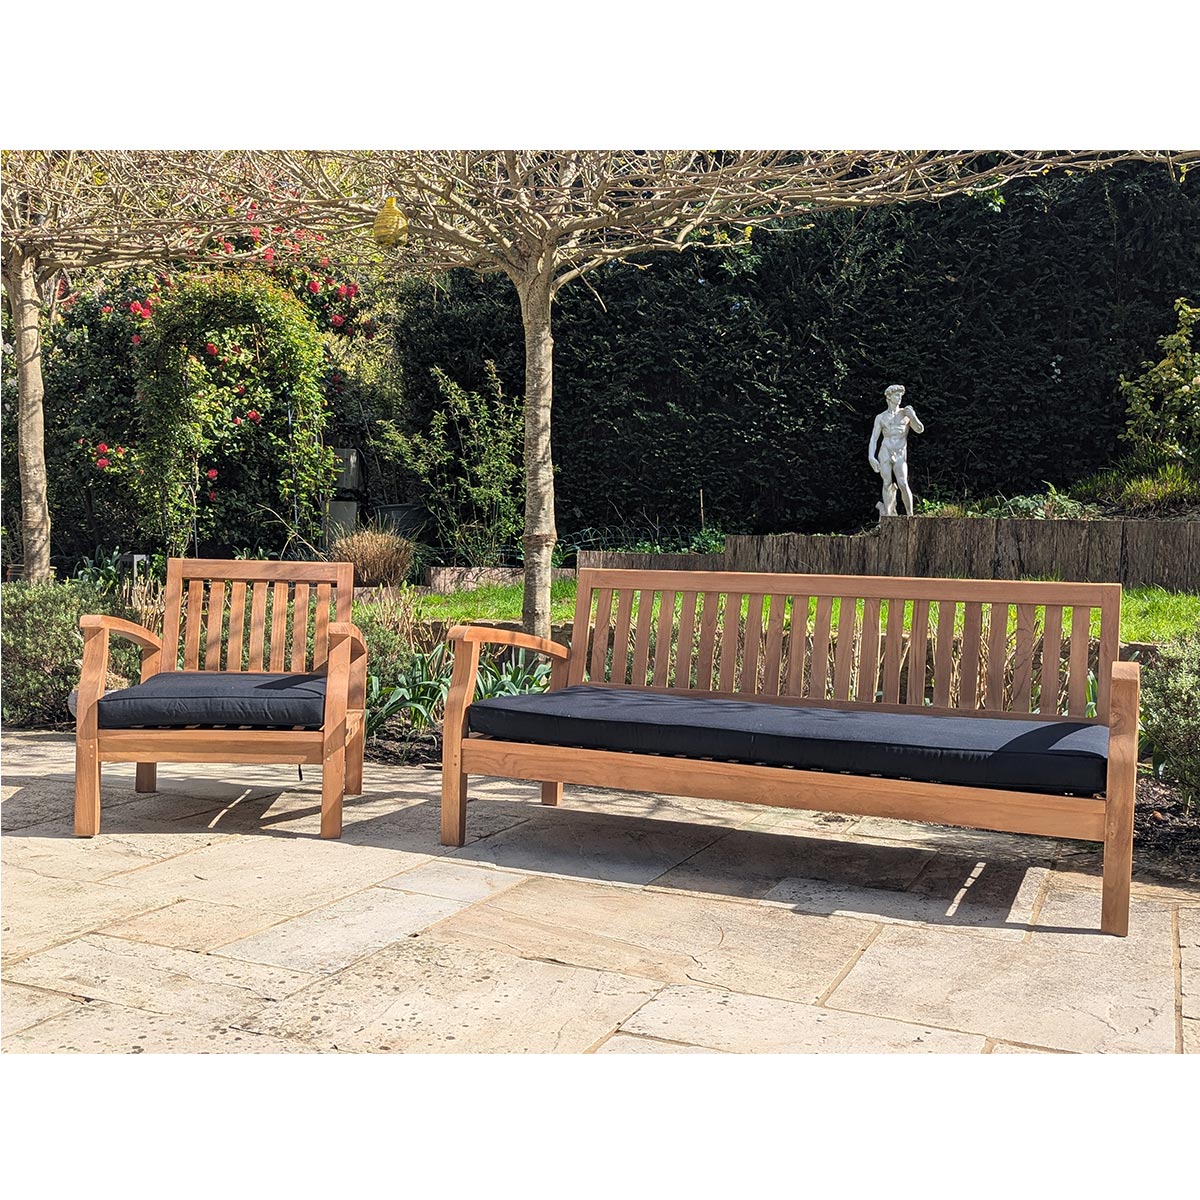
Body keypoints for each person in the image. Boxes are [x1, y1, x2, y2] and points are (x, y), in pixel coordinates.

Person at [868, 383, 924, 517]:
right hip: (885, 451)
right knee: (886, 483)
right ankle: (888, 516)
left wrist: (913, 416)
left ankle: (910, 515)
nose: (899, 398)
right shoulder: (881, 417)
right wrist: (871, 456)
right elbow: (874, 439)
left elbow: (920, 429)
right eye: (896, 395)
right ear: (889, 397)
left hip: (900, 453)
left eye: (900, 395)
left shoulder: (905, 413)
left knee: (903, 483)